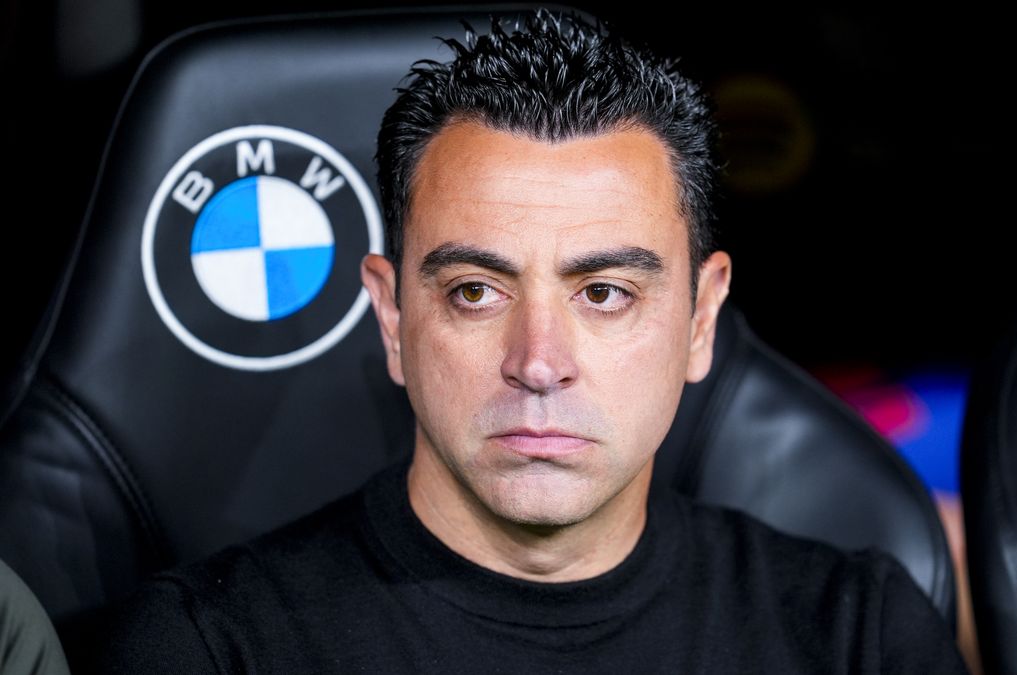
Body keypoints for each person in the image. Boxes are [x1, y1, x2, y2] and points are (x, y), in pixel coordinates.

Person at [78, 8, 967, 673]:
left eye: (605, 293)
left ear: (701, 319)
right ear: (392, 317)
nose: (538, 361)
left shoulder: (858, 635)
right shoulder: (205, 650)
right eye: (475, 291)